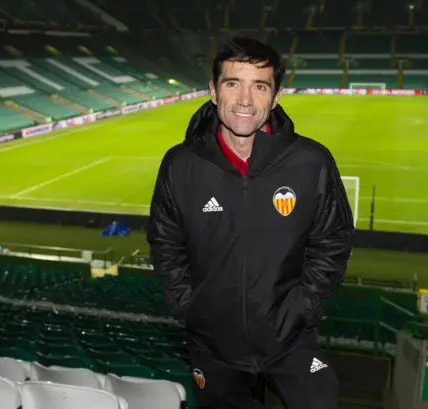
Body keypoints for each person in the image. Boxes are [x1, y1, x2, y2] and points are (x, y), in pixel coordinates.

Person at [147, 36, 355, 409]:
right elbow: (165, 242)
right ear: (213, 91)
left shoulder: (311, 162)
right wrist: (190, 306)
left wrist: (303, 307)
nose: (245, 100)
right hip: (212, 343)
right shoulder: (180, 165)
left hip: (290, 339)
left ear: (275, 97)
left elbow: (333, 240)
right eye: (232, 84)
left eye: (259, 86)